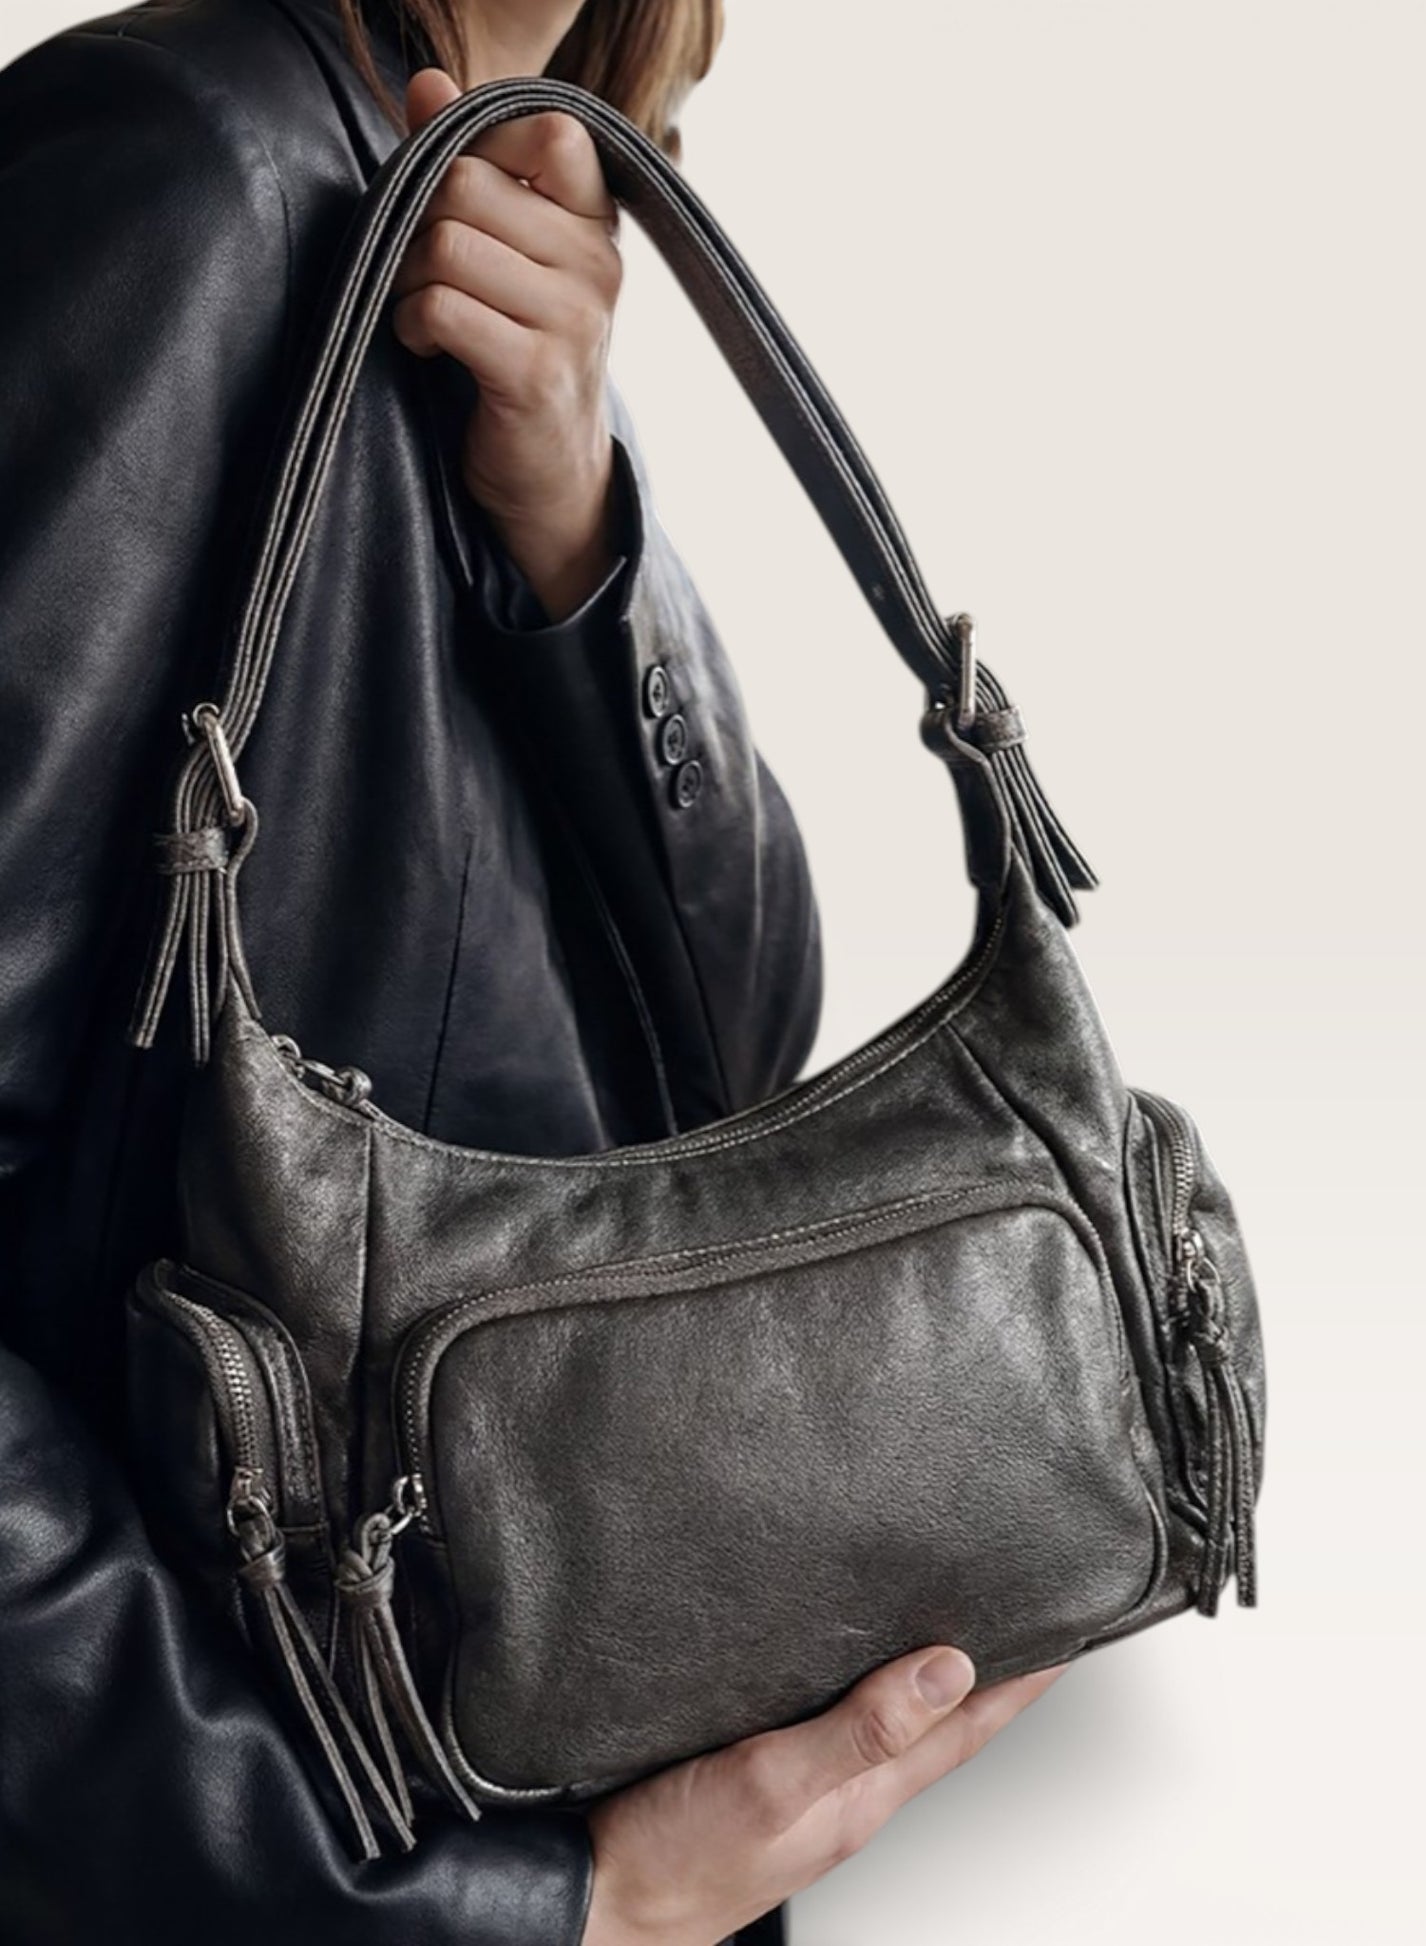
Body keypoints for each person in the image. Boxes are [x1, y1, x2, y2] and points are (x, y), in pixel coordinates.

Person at [0, 1, 1066, 1941]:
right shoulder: (192, 178)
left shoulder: (468, 234)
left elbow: (740, 1061)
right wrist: (501, 1909)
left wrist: (571, 532)